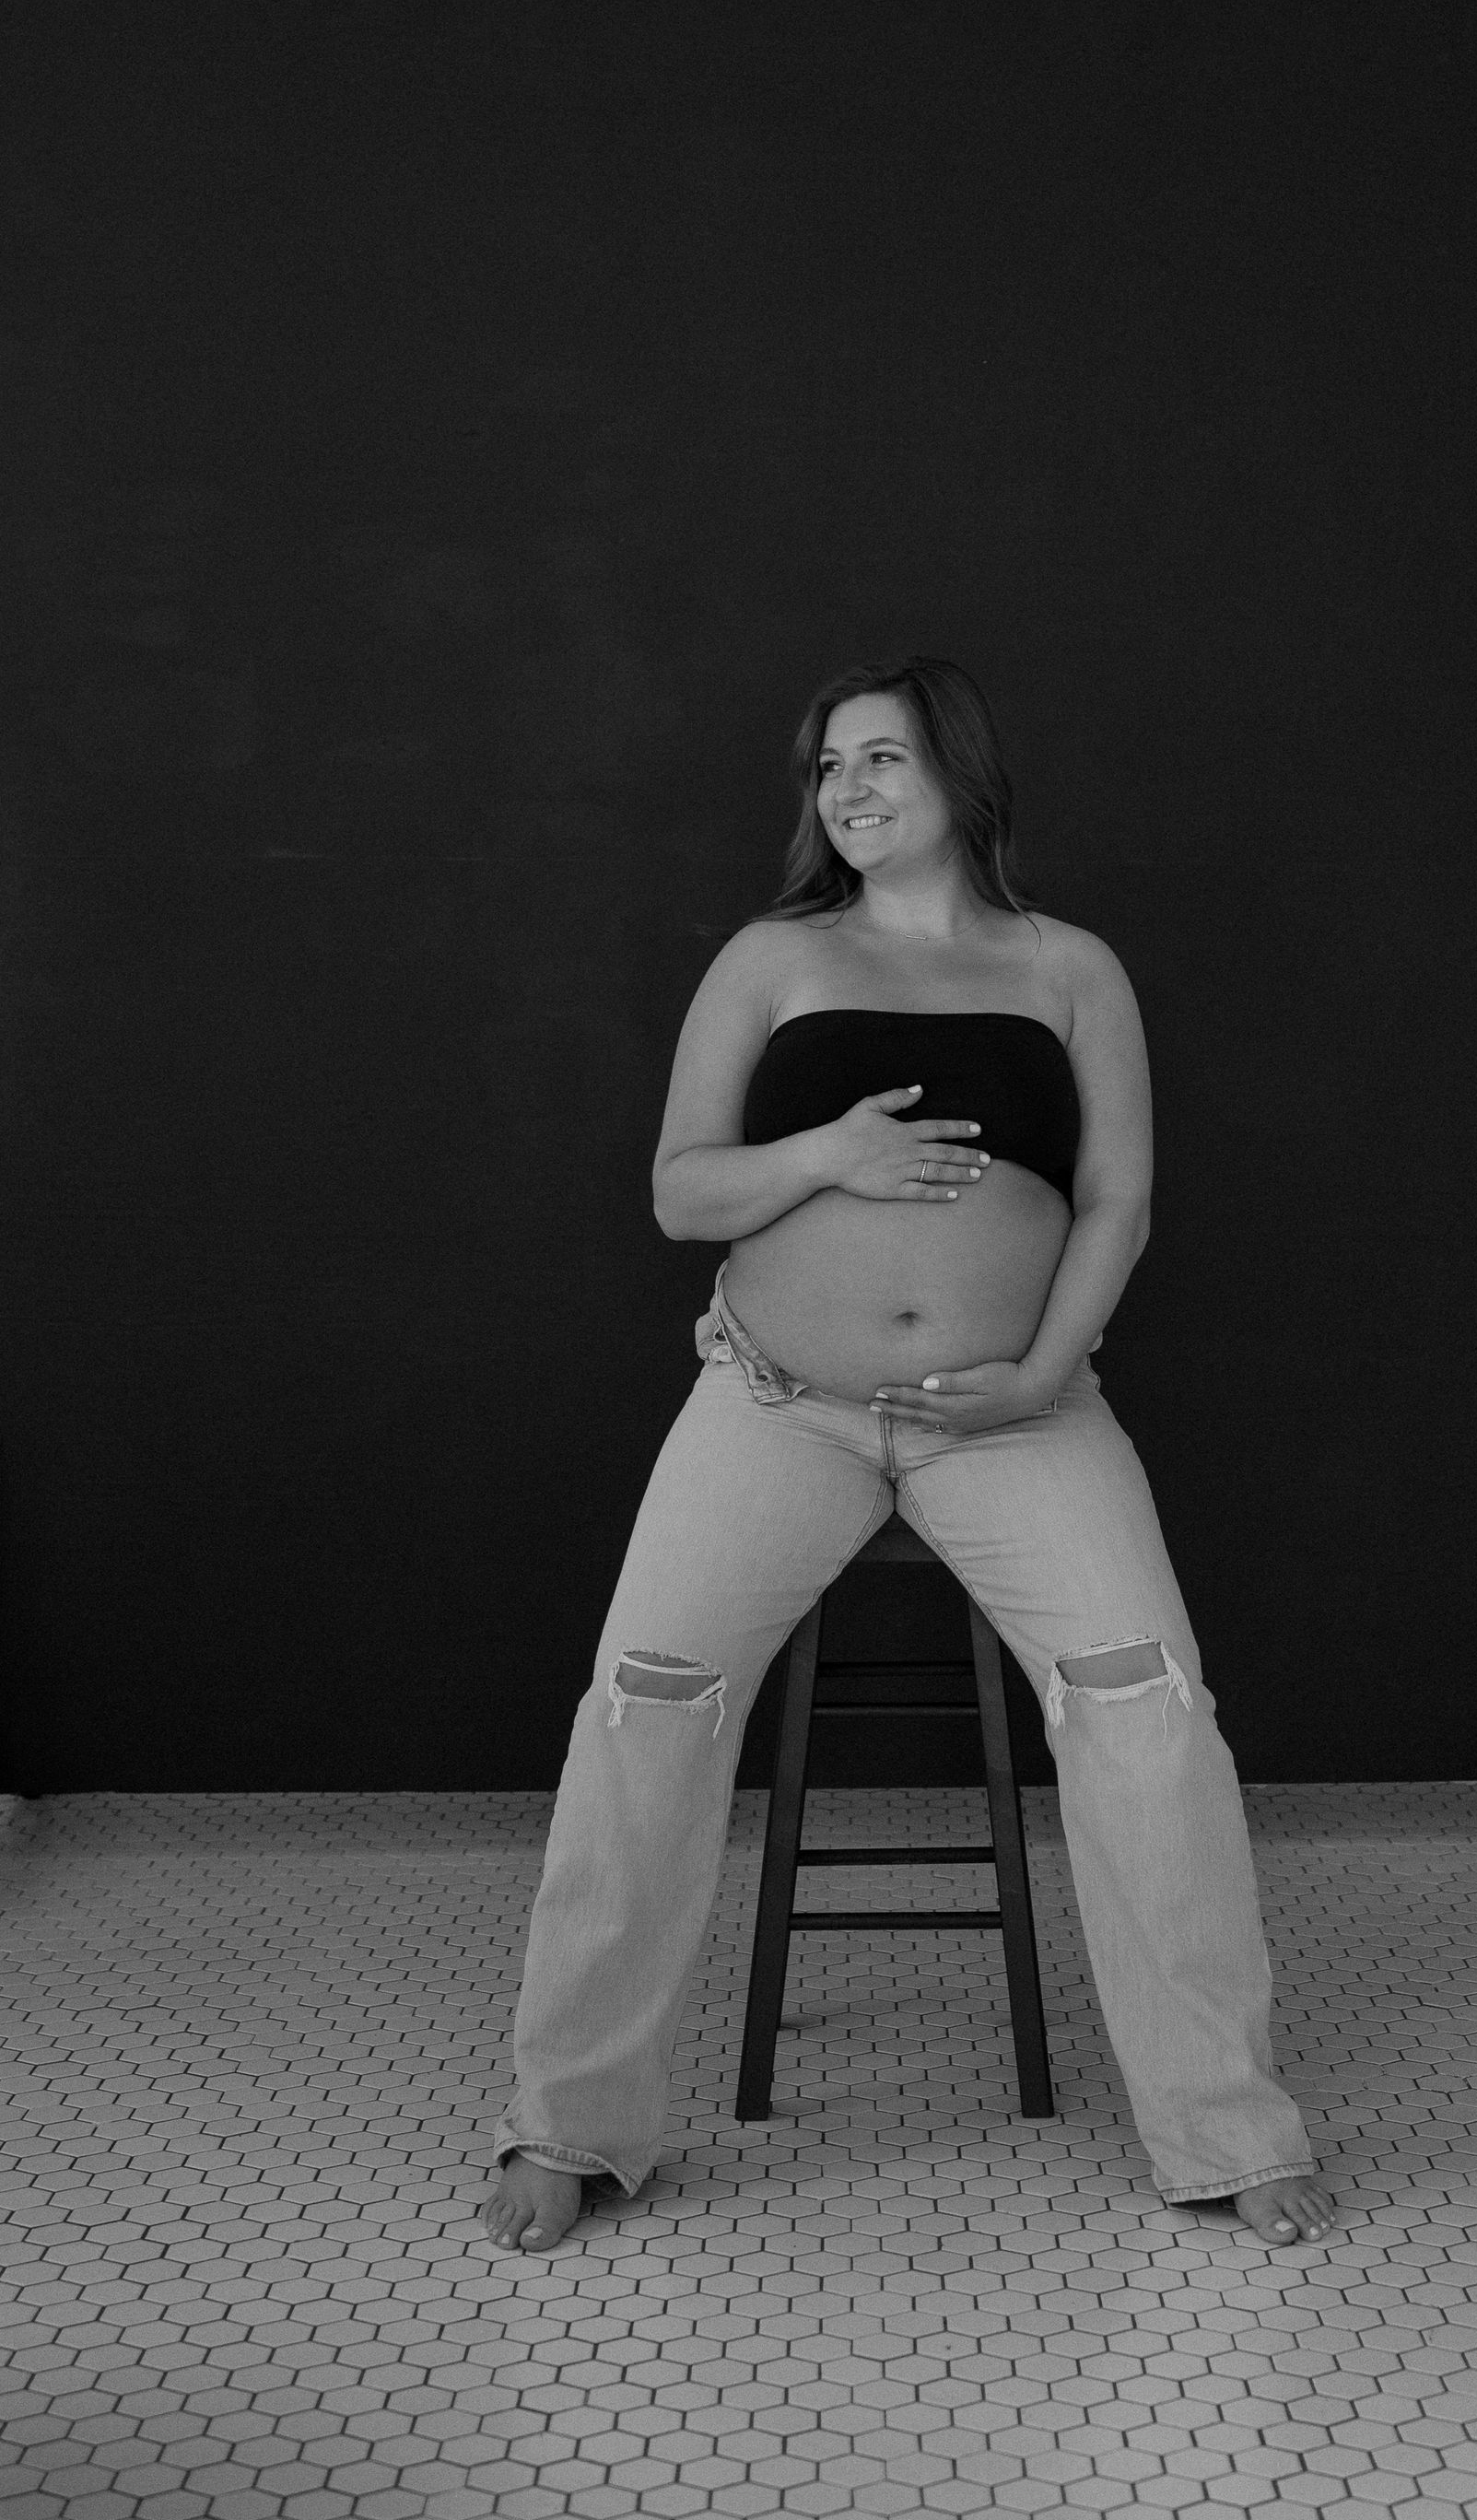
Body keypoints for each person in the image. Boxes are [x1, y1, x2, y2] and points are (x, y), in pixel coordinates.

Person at [484, 657, 1336, 2255]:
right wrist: (830, 1153)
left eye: (881, 758)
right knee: (645, 1704)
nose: (848, 790)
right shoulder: (771, 959)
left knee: (1148, 1704)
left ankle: (1226, 2125)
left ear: (962, 774)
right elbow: (682, 1194)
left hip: (1019, 1409)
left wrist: (1043, 1372)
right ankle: (573, 2122)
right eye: (824, 769)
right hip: (774, 1401)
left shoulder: (1069, 966)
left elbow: (1117, 1203)